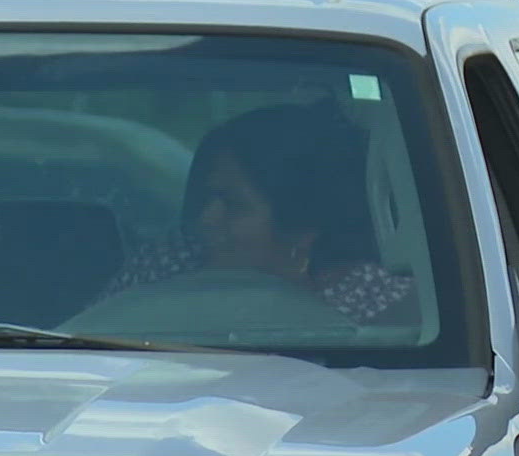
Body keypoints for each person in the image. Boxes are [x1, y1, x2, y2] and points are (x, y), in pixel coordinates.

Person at [93, 99, 414, 325]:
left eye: (233, 205)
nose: (206, 218)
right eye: (208, 198)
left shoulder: (380, 303)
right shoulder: (167, 262)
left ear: (302, 230)